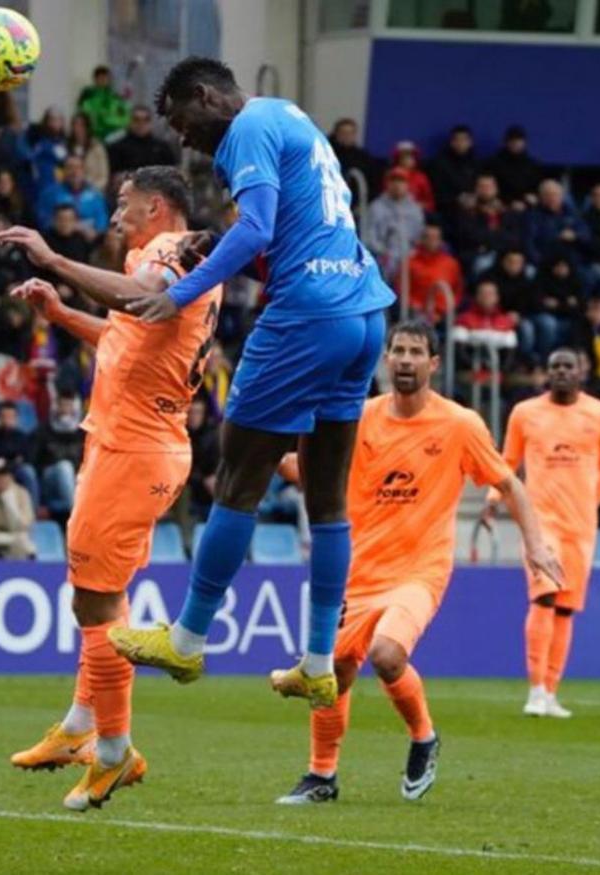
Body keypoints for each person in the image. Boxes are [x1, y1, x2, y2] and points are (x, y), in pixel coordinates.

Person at [107, 59, 395, 708]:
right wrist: (218, 242)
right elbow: (288, 229)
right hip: (363, 312)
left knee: (238, 477)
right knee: (326, 497)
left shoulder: (243, 130)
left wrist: (179, 291)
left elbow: (260, 228)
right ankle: (319, 661)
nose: (185, 138)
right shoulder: (289, 116)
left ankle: (185, 640)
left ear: (208, 96)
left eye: (183, 120)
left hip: (307, 316)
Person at [0, 165, 222, 808]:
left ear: (156, 206)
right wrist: (61, 313)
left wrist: (51, 257)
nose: (115, 213)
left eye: (124, 204)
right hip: (123, 444)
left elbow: (137, 294)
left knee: (97, 601)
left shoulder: (168, 251)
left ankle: (115, 752)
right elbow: (124, 333)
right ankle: (78, 729)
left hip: (136, 449)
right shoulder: (163, 261)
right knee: (94, 598)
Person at [277, 321, 558, 805]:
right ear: (386, 360)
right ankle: (322, 777)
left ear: (433, 363)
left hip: (419, 570)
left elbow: (508, 483)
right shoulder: (359, 418)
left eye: (415, 352)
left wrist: (535, 544)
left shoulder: (459, 424)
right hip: (358, 569)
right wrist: (272, 460)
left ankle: (423, 736)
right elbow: (313, 470)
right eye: (398, 351)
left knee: (388, 654)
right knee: (335, 673)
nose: (405, 360)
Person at [485, 348, 600, 719]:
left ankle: (550, 691)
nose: (561, 372)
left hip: (581, 526)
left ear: (581, 372)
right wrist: (494, 496)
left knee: (564, 609)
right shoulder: (526, 413)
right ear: (547, 373)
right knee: (543, 598)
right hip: (541, 523)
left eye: (568, 366)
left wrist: (589, 500)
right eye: (555, 366)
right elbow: (507, 461)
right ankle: (534, 690)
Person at [364, 167, 424, 280]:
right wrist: (382, 251)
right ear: (387, 184)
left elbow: (419, 237)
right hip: (384, 255)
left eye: (401, 181)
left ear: (407, 185)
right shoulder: (376, 207)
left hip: (410, 256)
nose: (397, 185)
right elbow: (368, 237)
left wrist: (413, 253)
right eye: (393, 180)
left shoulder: (415, 209)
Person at [35, 155, 109, 239]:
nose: (75, 172)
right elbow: (43, 221)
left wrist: (95, 232)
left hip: (90, 243)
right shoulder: (49, 194)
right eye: (70, 167)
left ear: (84, 171)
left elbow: (102, 224)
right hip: (59, 241)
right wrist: (73, 226)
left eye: (78, 167)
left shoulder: (96, 195)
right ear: (63, 171)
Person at [107, 105, 177, 175]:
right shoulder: (116, 148)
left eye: (146, 120)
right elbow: (113, 175)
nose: (141, 124)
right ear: (129, 121)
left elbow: (173, 172)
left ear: (151, 122)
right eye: (136, 120)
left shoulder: (162, 148)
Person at [485, 125, 541, 207]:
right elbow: (490, 185)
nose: (515, 143)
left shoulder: (532, 165)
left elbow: (536, 188)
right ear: (506, 142)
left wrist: (528, 201)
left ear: (524, 142)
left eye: (518, 140)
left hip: (526, 206)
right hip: (500, 205)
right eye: (512, 140)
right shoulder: (494, 163)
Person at [77, 65, 131, 142]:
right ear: (95, 79)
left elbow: (125, 115)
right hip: (96, 136)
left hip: (116, 135)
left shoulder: (114, 96)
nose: (104, 81)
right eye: (101, 78)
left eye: (106, 78)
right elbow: (84, 112)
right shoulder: (89, 94)